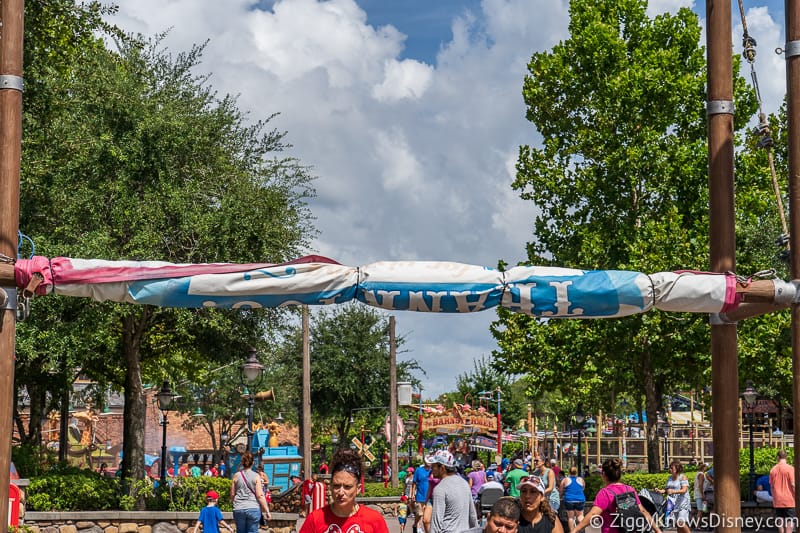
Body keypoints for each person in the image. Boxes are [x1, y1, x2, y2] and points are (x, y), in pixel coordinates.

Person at [299, 449, 389, 533]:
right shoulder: (315, 519)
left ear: (358, 489)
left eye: (347, 487)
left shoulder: (374, 519)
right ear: (330, 486)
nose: (341, 492)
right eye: (336, 486)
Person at [573, 458, 661, 533]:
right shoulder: (630, 490)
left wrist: (575, 530)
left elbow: (593, 514)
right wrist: (658, 530)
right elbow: (643, 512)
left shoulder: (605, 493)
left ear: (603, 474)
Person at [426, 449, 478, 533]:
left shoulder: (440, 488)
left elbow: (436, 523)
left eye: (434, 466)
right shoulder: (464, 483)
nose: (432, 469)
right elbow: (472, 515)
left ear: (442, 468)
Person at [230, 452, 271, 533]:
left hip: (239, 508)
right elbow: (260, 495)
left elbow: (232, 494)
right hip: (253, 507)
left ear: (242, 463)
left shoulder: (236, 476)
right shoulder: (256, 476)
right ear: (253, 463)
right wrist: (267, 511)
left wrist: (233, 502)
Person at [654, 461, 690, 533]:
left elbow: (684, 490)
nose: (669, 469)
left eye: (671, 468)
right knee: (677, 523)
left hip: (683, 503)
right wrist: (660, 491)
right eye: (669, 467)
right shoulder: (669, 478)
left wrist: (673, 491)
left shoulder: (683, 477)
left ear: (677, 469)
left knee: (681, 523)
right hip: (673, 504)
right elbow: (667, 490)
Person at [770, 449, 796, 533]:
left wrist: (774, 498)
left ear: (778, 457)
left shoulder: (773, 470)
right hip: (789, 499)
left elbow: (772, 487)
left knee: (780, 518)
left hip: (778, 499)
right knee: (789, 519)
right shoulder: (791, 469)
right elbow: (793, 484)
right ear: (786, 457)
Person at [559, 467, 586, 532]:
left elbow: (561, 490)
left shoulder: (565, 480)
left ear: (569, 472)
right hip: (580, 499)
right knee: (580, 516)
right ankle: (582, 530)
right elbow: (583, 488)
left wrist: (561, 496)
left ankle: (572, 531)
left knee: (570, 517)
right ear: (576, 472)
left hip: (569, 500)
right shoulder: (581, 479)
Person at [412, 459, 431, 533]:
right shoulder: (418, 470)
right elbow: (414, 483)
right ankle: (415, 525)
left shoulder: (433, 471)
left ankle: (425, 530)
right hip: (420, 496)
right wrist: (412, 494)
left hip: (430, 497)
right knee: (419, 513)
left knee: (427, 518)